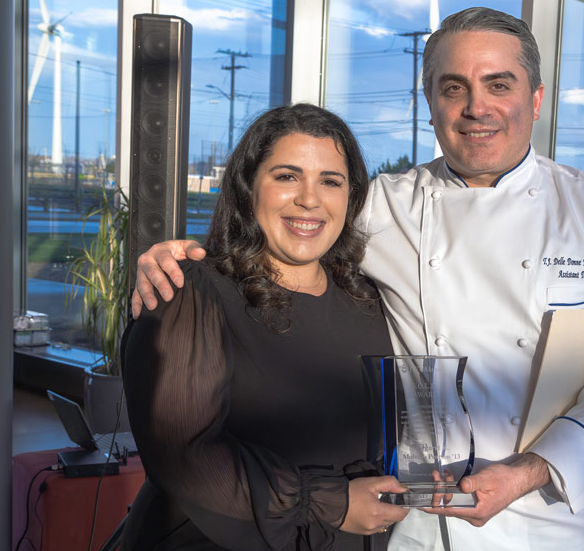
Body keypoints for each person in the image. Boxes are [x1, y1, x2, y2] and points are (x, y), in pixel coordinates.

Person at [132, 8, 584, 551]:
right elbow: (294, 225)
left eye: (498, 85)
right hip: (412, 522)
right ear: (430, 104)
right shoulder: (384, 204)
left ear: (535, 98)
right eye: (453, 87)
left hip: (549, 514)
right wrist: (179, 258)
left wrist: (530, 470)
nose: (476, 107)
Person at [120, 103, 409, 551]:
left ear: (350, 199)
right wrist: (331, 504)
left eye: (330, 181)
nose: (309, 199)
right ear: (247, 188)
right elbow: (185, 458)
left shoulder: (370, 300)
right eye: (287, 176)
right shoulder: (192, 293)